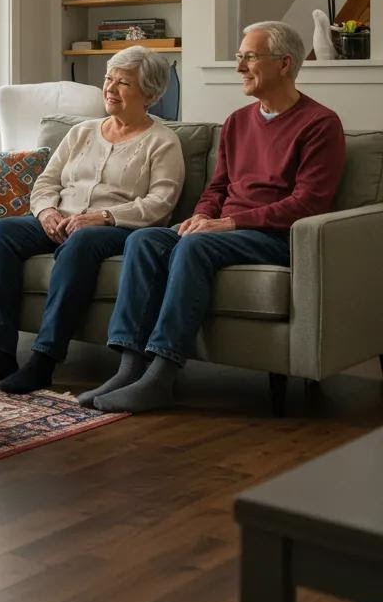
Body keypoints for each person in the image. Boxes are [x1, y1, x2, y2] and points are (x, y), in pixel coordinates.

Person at [79, 21, 345, 413]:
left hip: (275, 236)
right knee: (145, 239)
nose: (239, 67)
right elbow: (217, 189)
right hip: (223, 231)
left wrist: (228, 223)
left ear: (285, 64)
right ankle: (130, 366)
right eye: (240, 58)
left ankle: (162, 376)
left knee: (196, 246)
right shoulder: (238, 121)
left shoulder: (321, 124)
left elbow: (308, 203)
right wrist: (201, 216)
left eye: (249, 58)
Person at [0, 46, 185, 394]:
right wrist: (46, 211)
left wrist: (103, 216)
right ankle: (0, 351)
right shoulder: (82, 132)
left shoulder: (162, 141)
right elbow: (46, 182)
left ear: (151, 95)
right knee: (2, 231)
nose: (110, 88)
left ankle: (44, 360)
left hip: (118, 229)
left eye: (122, 83)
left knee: (81, 241)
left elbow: (160, 204)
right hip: (61, 218)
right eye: (109, 78)